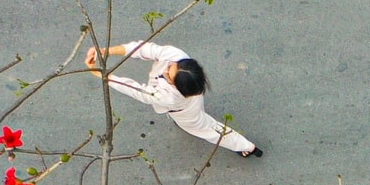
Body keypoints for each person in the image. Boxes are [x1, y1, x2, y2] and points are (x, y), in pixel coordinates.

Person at [85, 40, 263, 157]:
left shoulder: (168, 98)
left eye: (169, 74)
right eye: (171, 66)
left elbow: (134, 89)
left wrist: (101, 75)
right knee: (203, 123)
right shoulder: (176, 57)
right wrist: (106, 51)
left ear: (177, 85)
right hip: (189, 100)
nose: (166, 68)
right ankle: (246, 147)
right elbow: (144, 49)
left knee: (208, 129)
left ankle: (247, 147)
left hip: (185, 112)